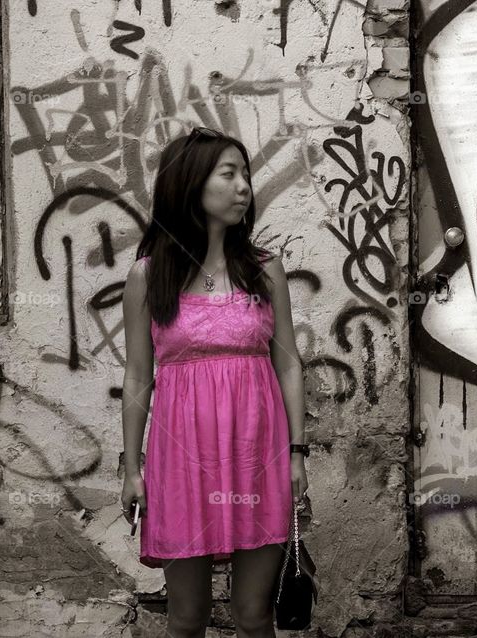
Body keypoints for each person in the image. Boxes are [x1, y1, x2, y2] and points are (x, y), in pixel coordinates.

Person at [119, 126, 309, 638]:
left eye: (245, 173)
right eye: (229, 174)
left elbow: (288, 363)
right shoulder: (148, 275)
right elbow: (138, 375)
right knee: (186, 619)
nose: (244, 186)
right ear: (191, 185)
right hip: (179, 460)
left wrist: (296, 452)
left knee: (253, 617)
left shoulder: (266, 271)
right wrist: (132, 466)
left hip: (257, 454)